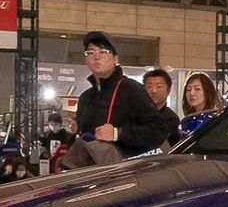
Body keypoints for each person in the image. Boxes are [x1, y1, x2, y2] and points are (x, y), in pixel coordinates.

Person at [62, 32, 175, 166]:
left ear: (115, 59)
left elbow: (157, 130)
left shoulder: (132, 89)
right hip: (91, 172)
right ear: (86, 60)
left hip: (126, 172)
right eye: (90, 52)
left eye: (103, 51)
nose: (96, 57)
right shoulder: (86, 98)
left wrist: (117, 134)